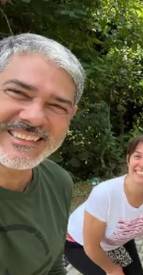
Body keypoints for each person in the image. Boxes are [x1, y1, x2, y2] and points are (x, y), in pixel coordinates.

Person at [0, 33, 85, 274]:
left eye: (57, 106)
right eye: (18, 92)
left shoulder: (59, 182)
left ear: (71, 116)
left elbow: (51, 264)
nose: (35, 116)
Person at [65, 135, 143, 274]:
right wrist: (113, 269)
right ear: (128, 159)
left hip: (117, 240)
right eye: (137, 156)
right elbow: (91, 246)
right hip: (80, 244)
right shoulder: (104, 193)